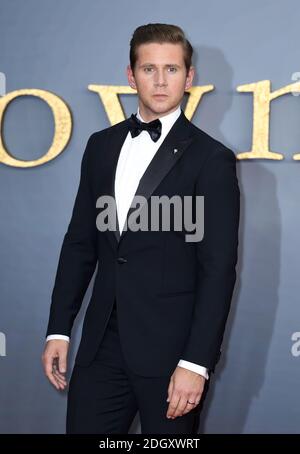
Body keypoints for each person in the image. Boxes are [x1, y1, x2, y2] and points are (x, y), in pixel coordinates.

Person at [42, 23, 240, 434]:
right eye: (149, 69)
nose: (161, 80)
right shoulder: (100, 145)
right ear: (131, 76)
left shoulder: (211, 159)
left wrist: (196, 362)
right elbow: (80, 244)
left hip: (172, 355)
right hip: (100, 350)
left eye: (171, 69)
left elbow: (217, 270)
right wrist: (59, 328)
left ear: (189, 77)